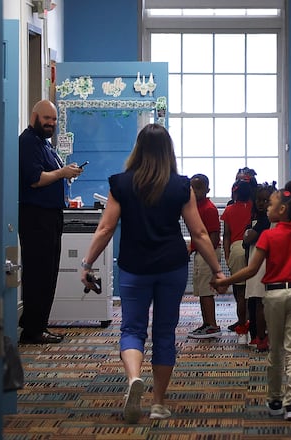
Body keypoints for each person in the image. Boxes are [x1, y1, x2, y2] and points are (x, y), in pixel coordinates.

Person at [79, 124, 224, 423]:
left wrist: (87, 264)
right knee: (164, 333)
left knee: (132, 329)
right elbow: (198, 232)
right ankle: (158, 403)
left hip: (134, 267)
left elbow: (106, 228)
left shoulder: (121, 183)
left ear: (139, 149)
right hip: (171, 267)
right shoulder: (181, 186)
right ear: (168, 151)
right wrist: (217, 270)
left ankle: (134, 379)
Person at [212, 180, 291, 421]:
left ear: (282, 210)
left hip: (274, 295)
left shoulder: (268, 237)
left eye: (271, 204)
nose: (267, 208)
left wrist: (225, 282)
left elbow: (251, 271)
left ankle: (274, 400)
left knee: (276, 350)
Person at [18, 100, 83, 344]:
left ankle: (38, 325)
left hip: (50, 215)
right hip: (36, 217)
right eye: (47, 118)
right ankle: (33, 330)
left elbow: (51, 174)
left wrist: (66, 172)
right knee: (38, 273)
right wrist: (62, 173)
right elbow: (35, 179)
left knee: (47, 273)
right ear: (34, 116)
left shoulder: (44, 144)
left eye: (54, 120)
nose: (51, 123)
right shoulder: (27, 143)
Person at [187, 173, 223, 339]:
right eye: (193, 187)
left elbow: (214, 236)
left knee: (207, 291)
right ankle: (207, 323)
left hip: (207, 255)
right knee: (202, 291)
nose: (196, 191)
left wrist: (205, 253)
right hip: (200, 253)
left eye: (199, 187)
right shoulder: (194, 207)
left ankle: (213, 325)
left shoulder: (209, 209)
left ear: (207, 189)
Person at [242, 181, 277, 352]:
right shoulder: (264, 219)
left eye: (266, 201)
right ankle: (261, 335)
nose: (262, 204)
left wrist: (247, 234)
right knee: (261, 303)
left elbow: (247, 240)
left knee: (260, 303)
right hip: (261, 264)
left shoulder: (264, 221)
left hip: (260, 266)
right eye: (259, 200)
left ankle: (261, 337)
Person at [221, 173, 255, 342]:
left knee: (240, 292)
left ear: (234, 193)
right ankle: (254, 324)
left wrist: (227, 255)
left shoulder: (228, 210)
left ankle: (242, 324)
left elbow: (226, 235)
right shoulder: (255, 208)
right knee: (254, 291)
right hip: (253, 249)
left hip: (235, 249)